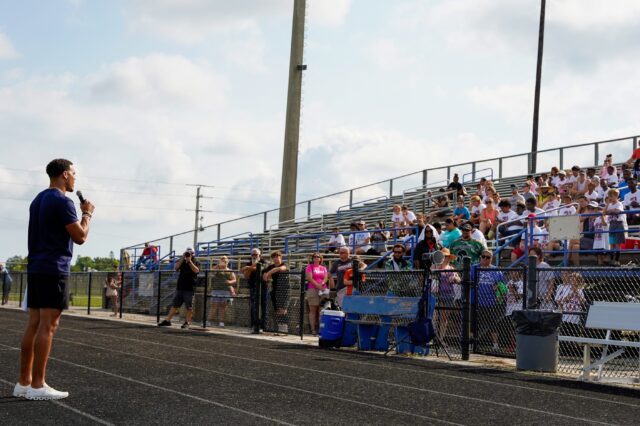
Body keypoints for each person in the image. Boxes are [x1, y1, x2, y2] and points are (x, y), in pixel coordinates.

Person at [15, 158, 94, 400]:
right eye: (73, 173)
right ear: (63, 175)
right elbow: (80, 237)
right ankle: (38, 385)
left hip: (37, 267)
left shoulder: (38, 199)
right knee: (48, 326)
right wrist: (87, 214)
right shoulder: (63, 201)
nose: (75, 178)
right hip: (54, 269)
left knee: (34, 323)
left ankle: (23, 382)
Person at [158, 247, 200, 329]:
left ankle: (187, 322)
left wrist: (190, 261)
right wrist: (182, 258)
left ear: (193, 253)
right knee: (175, 305)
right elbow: (176, 267)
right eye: (187, 253)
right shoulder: (182, 261)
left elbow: (196, 271)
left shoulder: (196, 261)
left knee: (189, 307)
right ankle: (167, 320)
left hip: (190, 288)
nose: (188, 254)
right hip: (180, 287)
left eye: (190, 253)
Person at [241, 248, 268, 332]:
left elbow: (259, 268)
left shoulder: (264, 262)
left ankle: (263, 326)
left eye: (256, 254)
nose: (254, 256)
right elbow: (246, 276)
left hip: (263, 288)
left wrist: (247, 268)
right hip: (253, 288)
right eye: (253, 254)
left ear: (260, 255)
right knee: (253, 307)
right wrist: (249, 267)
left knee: (263, 307)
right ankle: (254, 325)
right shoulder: (249, 263)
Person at [262, 251, 289, 333]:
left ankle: (284, 328)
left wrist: (269, 273)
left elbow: (280, 269)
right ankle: (278, 328)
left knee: (283, 310)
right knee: (276, 309)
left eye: (277, 256)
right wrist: (266, 275)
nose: (275, 258)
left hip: (284, 290)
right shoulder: (270, 266)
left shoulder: (284, 265)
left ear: (280, 257)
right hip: (274, 290)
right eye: (274, 257)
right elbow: (264, 274)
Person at [207, 256, 236, 327]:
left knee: (223, 307)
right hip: (216, 290)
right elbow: (210, 273)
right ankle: (208, 321)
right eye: (222, 261)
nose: (224, 262)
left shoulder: (229, 270)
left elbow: (234, 279)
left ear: (227, 262)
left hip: (226, 291)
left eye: (225, 261)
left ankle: (221, 322)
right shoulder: (216, 268)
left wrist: (230, 282)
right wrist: (218, 265)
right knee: (214, 307)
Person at [305, 252, 329, 335]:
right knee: (313, 310)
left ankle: (321, 329)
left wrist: (322, 284)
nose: (316, 258)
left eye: (318, 257)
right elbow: (309, 278)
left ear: (320, 258)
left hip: (323, 289)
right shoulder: (309, 267)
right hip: (313, 289)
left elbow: (326, 278)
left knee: (322, 310)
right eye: (314, 256)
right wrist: (319, 286)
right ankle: (313, 329)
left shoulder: (323, 268)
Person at [603, 189, 627, 266]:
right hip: (612, 224)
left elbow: (617, 211)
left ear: (616, 196)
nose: (610, 198)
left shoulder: (619, 203)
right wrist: (607, 205)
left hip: (618, 224)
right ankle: (611, 259)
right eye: (609, 196)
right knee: (612, 242)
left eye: (612, 196)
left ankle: (616, 260)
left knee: (617, 243)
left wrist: (610, 211)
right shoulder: (609, 205)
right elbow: (604, 213)